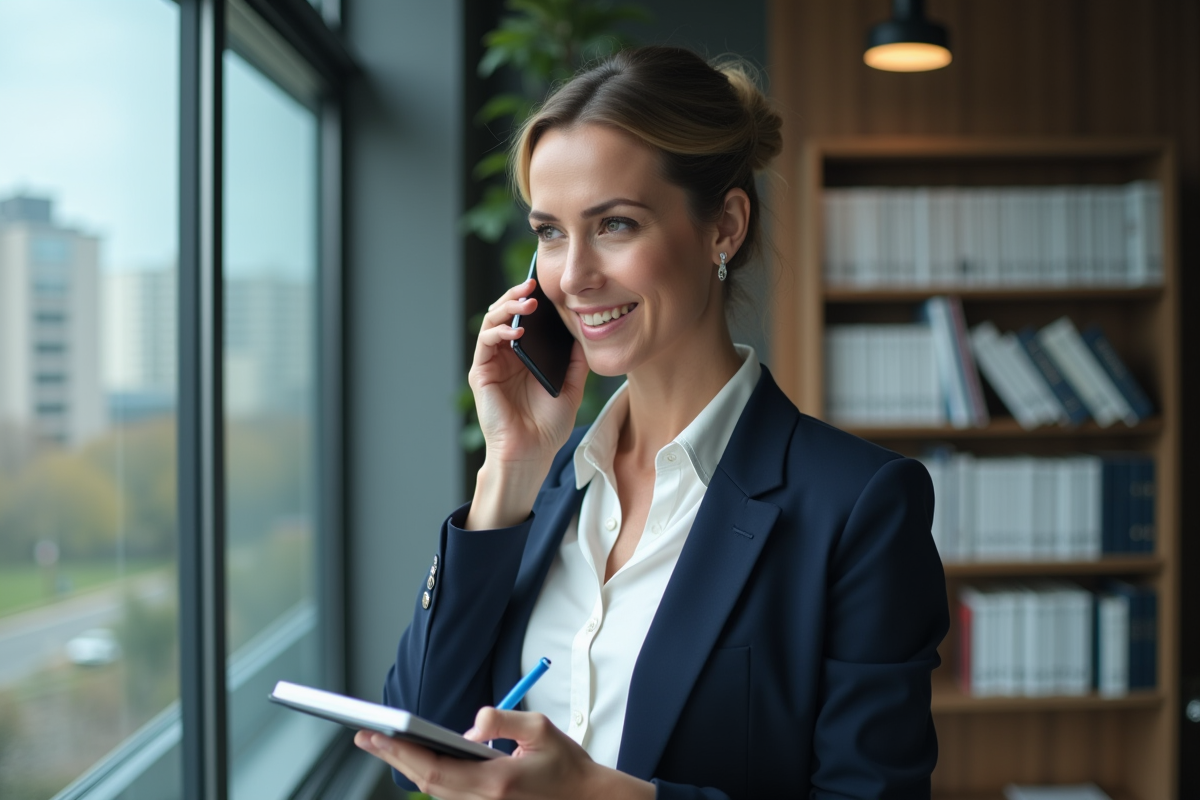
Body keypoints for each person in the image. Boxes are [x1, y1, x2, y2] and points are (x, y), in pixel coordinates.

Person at [357, 45, 949, 799]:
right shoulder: (542, 489)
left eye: (615, 225)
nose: (572, 277)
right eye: (549, 232)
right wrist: (508, 468)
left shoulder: (857, 508)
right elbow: (421, 732)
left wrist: (602, 796)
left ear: (723, 228)